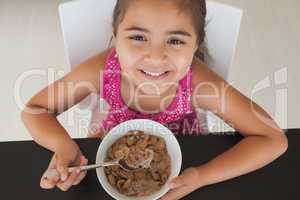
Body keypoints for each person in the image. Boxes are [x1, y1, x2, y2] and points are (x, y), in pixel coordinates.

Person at [21, 0, 288, 199]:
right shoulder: (101, 70)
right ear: (115, 36)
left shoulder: (199, 83)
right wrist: (64, 146)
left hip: (184, 158)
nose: (156, 57)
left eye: (175, 41)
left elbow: (272, 139)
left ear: (196, 45)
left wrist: (201, 176)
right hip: (107, 150)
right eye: (138, 37)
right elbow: (35, 109)